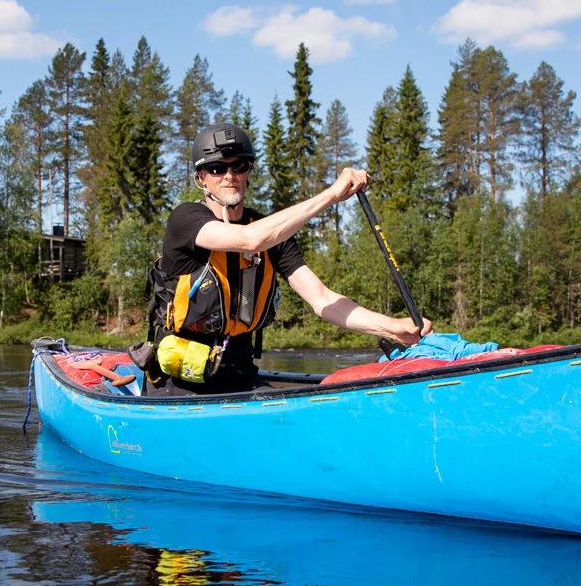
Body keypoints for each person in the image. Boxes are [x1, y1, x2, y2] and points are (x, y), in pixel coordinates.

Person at [147, 122, 432, 394]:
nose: (229, 176)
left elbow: (323, 300)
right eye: (216, 168)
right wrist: (332, 195)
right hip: (180, 380)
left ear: (249, 171)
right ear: (201, 177)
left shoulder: (274, 235)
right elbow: (249, 239)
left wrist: (393, 327)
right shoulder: (186, 219)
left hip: (241, 374)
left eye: (239, 166)